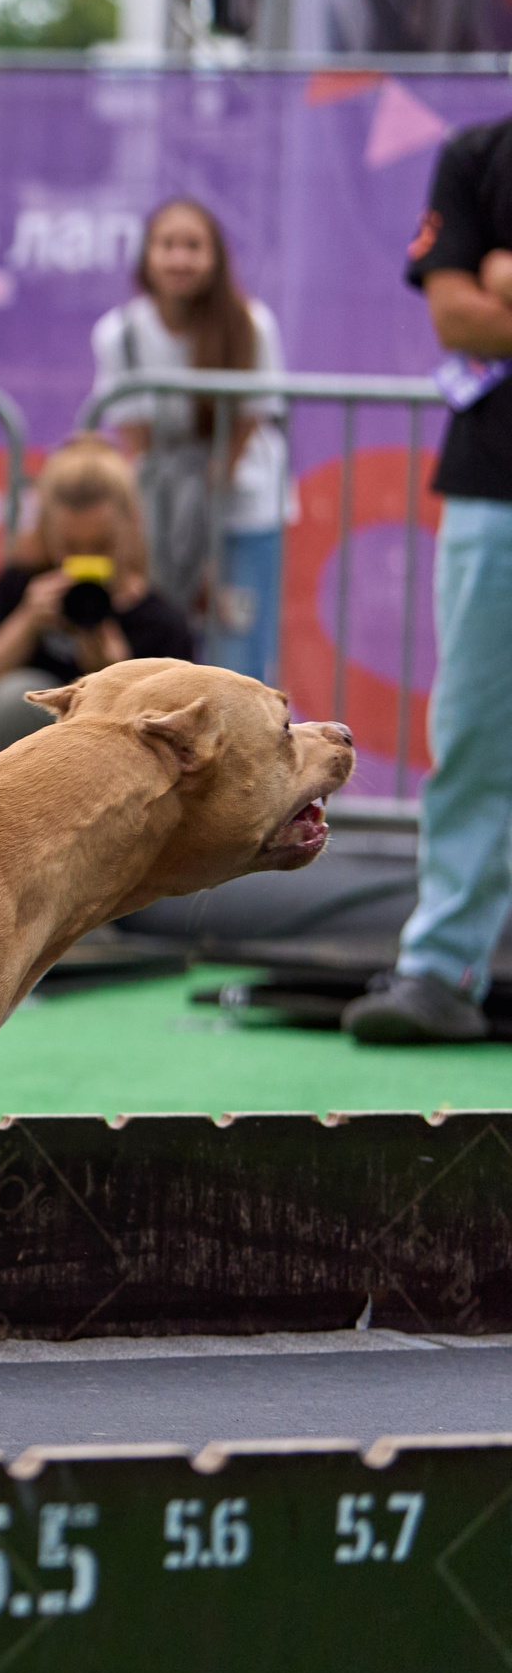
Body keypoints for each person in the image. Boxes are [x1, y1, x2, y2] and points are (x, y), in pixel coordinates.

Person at [343, 118, 512, 1043]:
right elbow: (454, 313)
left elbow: (485, 299)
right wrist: (483, 286)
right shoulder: (479, 153)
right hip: (495, 491)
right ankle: (442, 969)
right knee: (477, 738)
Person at [90, 197, 291, 679]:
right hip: (161, 514)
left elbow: (249, 420)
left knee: (238, 659)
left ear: (215, 256)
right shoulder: (119, 334)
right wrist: (170, 523)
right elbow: (135, 439)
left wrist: (206, 509)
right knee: (163, 655)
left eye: (193, 246)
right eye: (167, 245)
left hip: (242, 510)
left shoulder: (250, 323)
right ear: (147, 255)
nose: (180, 258)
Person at [0, 434, 198, 762]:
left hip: (104, 782)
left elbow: (177, 749)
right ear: (48, 533)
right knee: (16, 700)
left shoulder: (161, 622)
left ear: (130, 526)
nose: (85, 561)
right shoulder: (22, 586)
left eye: (101, 546)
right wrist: (25, 624)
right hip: (13, 783)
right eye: (71, 548)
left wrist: (116, 676)